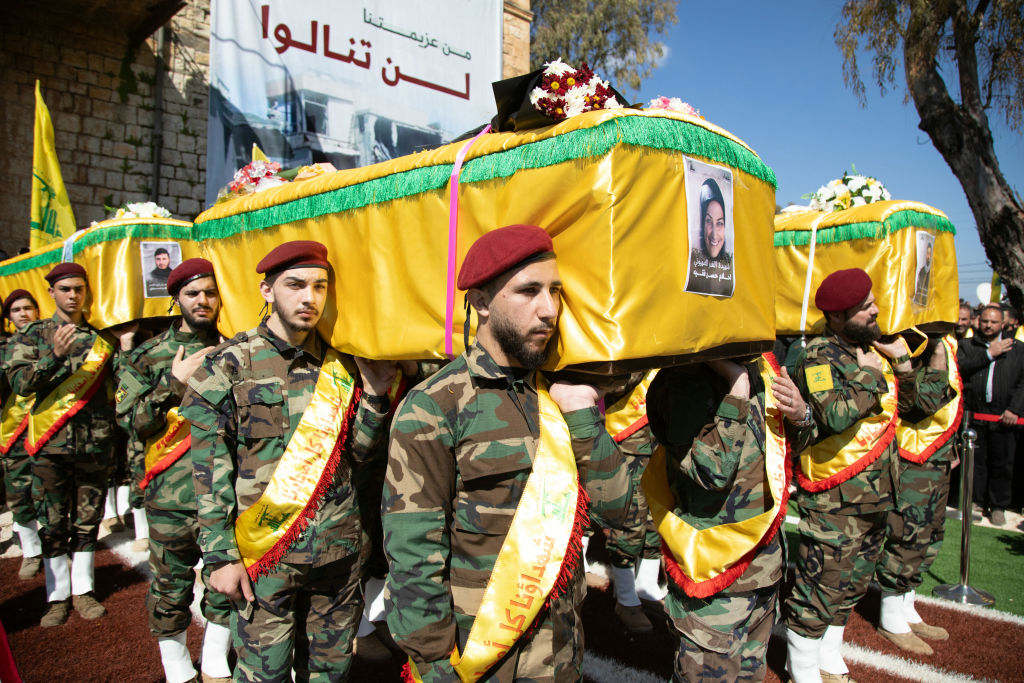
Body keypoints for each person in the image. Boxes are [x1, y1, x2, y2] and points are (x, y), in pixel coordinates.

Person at [383, 224, 633, 682]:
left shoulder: (561, 397)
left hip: (561, 644)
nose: (549, 310)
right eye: (529, 291)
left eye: (555, 291)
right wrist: (434, 660)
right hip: (480, 650)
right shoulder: (436, 405)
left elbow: (618, 510)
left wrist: (581, 414)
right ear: (480, 302)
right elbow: (413, 546)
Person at [180, 240, 397, 682]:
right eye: (295, 285)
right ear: (266, 291)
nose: (309, 298)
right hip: (266, 561)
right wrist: (220, 557)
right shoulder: (227, 367)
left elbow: (357, 455)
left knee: (330, 675)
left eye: (319, 287)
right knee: (264, 676)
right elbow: (208, 474)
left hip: (338, 553)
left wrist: (374, 398)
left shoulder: (346, 365)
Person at [783, 268, 919, 683]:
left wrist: (901, 363)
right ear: (839, 317)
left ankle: (828, 656)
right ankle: (801, 669)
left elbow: (908, 407)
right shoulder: (818, 355)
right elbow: (834, 413)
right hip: (835, 497)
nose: (877, 310)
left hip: (876, 491)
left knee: (852, 583)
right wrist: (871, 374)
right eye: (866, 308)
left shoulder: (869, 349)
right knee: (820, 586)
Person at [646, 354, 815, 682]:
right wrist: (737, 390)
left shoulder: (761, 365)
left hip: (763, 562)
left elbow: (791, 450)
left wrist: (802, 415)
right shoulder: (682, 379)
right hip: (716, 570)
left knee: (751, 675)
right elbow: (711, 472)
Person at [115, 259, 234, 683]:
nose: (203, 301)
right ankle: (177, 665)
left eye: (210, 292)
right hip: (171, 497)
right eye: (192, 294)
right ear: (176, 299)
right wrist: (173, 384)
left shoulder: (236, 347)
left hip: (225, 493)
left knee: (227, 583)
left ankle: (217, 659)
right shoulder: (148, 356)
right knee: (171, 587)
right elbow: (128, 422)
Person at [6, 263, 134, 627]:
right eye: (65, 289)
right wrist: (55, 358)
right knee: (52, 523)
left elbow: (119, 386)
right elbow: (19, 384)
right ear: (51, 293)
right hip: (51, 447)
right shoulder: (33, 334)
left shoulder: (100, 339)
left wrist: (124, 344)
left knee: (88, 521)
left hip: (95, 446)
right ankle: (56, 595)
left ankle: (83, 590)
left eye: (79, 289)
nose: (73, 295)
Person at [872, 333, 961, 655]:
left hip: (936, 452)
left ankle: (907, 606)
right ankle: (891, 616)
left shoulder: (944, 340)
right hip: (912, 454)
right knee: (908, 533)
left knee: (931, 533)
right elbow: (919, 404)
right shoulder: (914, 338)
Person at [956, 303, 1024, 526]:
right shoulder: (967, 346)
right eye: (985, 321)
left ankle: (998, 506)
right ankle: (975, 500)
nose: (988, 326)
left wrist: (1015, 409)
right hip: (974, 415)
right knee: (976, 462)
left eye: (993, 322)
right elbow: (960, 369)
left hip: (1005, 417)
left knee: (1002, 463)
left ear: (1002, 324)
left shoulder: (1018, 349)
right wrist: (988, 354)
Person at [0, 290, 42, 579]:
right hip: (14, 433)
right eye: (16, 310)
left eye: (28, 308)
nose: (23, 314)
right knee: (19, 494)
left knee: (52, 497)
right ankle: (31, 551)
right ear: (8, 317)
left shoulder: (51, 341)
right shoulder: (3, 349)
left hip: (48, 430)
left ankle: (54, 550)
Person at [686, 178, 733, 297]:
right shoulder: (692, 261)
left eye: (719, 223)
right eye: (708, 221)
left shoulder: (730, 263)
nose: (714, 234)